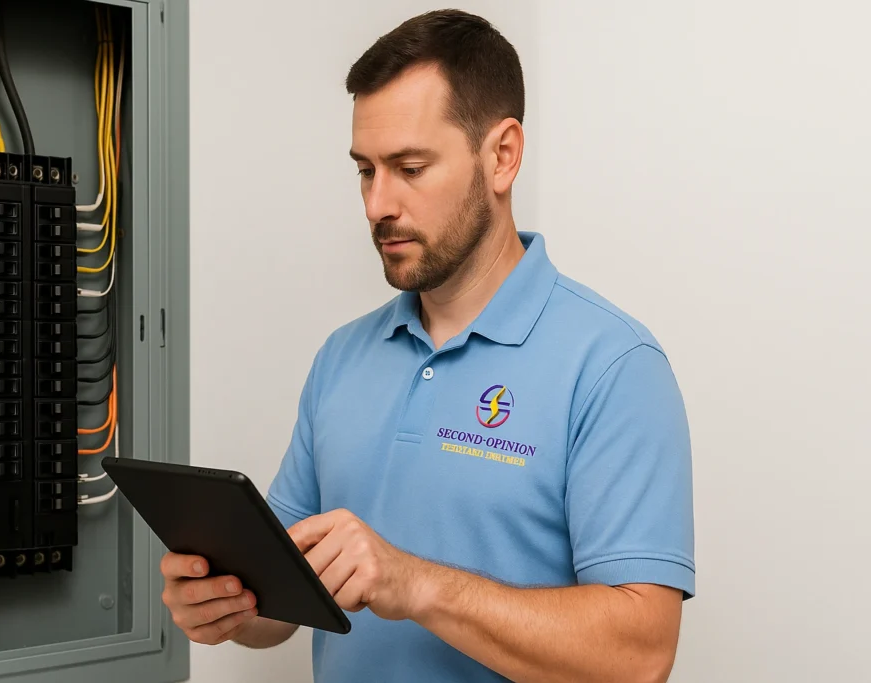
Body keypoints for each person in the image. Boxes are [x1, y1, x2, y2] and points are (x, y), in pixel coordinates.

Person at [161, 9, 695, 683]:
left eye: (409, 167)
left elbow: (640, 657)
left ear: (501, 155)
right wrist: (229, 604)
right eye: (365, 170)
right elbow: (285, 600)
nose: (376, 203)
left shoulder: (613, 366)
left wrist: (416, 584)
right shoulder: (341, 358)